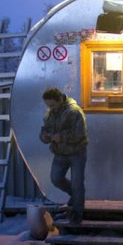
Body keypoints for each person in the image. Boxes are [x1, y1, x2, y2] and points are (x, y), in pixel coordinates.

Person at [39, 87, 89, 223]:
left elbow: (80, 134)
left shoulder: (74, 112)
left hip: (77, 152)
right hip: (60, 153)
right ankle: (76, 196)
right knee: (56, 179)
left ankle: (77, 216)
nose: (50, 108)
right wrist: (44, 137)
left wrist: (61, 137)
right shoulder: (50, 113)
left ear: (60, 99)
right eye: (48, 105)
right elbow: (45, 129)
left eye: (53, 105)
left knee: (77, 183)